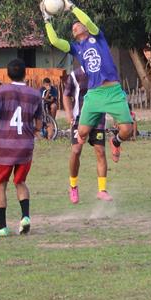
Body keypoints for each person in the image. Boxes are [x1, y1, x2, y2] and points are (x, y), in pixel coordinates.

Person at [42, 0, 134, 200]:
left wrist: (71, 7)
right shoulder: (76, 48)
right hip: (94, 94)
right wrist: (47, 19)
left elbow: (88, 21)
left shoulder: (97, 37)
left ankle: (116, 142)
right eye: (73, 27)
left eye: (78, 24)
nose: (76, 26)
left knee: (127, 130)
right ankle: (74, 186)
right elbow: (55, 41)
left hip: (113, 91)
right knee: (81, 133)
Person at [0, 58, 43, 236]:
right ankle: (25, 217)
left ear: (7, 74)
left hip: (3, 147)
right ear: (25, 73)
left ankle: (2, 227)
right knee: (20, 182)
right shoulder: (35, 94)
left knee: (1, 184)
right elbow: (39, 125)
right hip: (25, 145)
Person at [64, 61, 109, 204]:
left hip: (98, 118)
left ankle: (102, 190)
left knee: (100, 151)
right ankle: (73, 186)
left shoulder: (102, 73)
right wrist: (69, 113)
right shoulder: (75, 74)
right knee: (76, 151)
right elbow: (66, 95)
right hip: (79, 119)